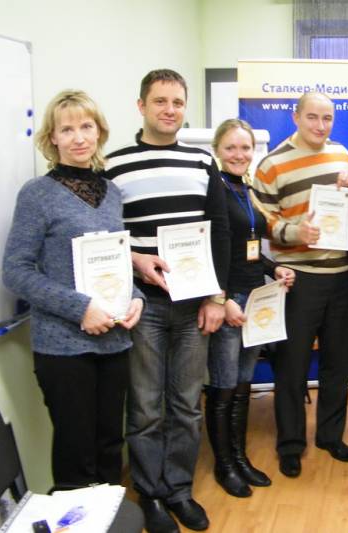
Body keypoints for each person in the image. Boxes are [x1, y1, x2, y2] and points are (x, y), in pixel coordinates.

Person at [104, 69, 230, 533]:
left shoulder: (202, 162)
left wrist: (216, 296)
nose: (170, 110)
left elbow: (220, 232)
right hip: (144, 305)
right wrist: (134, 259)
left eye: (177, 102)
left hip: (194, 303)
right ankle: (150, 494)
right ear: (141, 106)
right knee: (144, 407)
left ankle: (178, 488)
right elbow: (104, 237)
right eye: (160, 101)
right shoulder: (114, 166)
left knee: (186, 404)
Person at [2, 90, 144, 489]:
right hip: (63, 348)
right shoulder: (37, 194)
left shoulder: (111, 193)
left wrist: (135, 298)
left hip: (114, 341)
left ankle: (113, 516)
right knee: (76, 454)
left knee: (110, 447)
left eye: (86, 126)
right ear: (52, 138)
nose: (78, 137)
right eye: (67, 129)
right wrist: (80, 308)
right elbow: (15, 271)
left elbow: (117, 260)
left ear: (99, 132)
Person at [251, 91, 348, 478]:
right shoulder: (271, 165)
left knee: (337, 364)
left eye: (327, 118)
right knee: (292, 367)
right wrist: (296, 231)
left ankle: (331, 436)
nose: (320, 125)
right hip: (298, 279)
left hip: (341, 276)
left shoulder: (343, 155)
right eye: (312, 117)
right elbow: (263, 222)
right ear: (296, 117)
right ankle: (291, 444)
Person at [206, 118, 295, 497]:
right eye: (231, 148)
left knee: (243, 385)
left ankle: (240, 458)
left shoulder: (246, 189)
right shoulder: (213, 189)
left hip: (254, 297)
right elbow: (210, 250)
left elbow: (250, 249)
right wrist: (220, 299)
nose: (239, 154)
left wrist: (275, 268)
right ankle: (224, 466)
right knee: (223, 386)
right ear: (217, 150)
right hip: (229, 302)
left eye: (245, 148)